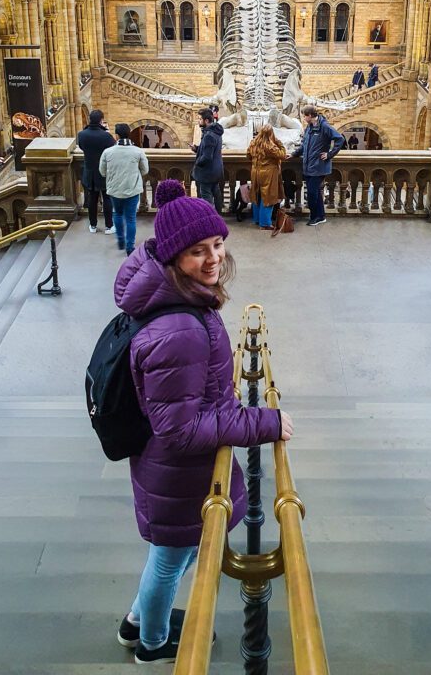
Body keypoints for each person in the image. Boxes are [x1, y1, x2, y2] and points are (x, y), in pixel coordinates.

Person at [113, 180, 292, 664]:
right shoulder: (180, 329)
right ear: (173, 258)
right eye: (197, 251)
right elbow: (181, 429)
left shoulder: (177, 299)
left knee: (174, 557)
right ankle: (151, 644)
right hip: (177, 473)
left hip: (170, 473)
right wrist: (263, 423)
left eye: (217, 244)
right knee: (170, 562)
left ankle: (137, 622)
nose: (213, 258)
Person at [99, 123, 149, 255]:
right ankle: (129, 246)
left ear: (116, 135)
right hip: (132, 189)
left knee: (117, 213)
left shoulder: (107, 152)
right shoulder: (138, 151)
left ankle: (120, 240)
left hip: (115, 189)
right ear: (129, 134)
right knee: (131, 218)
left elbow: (102, 171)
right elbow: (145, 170)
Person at [291, 105, 343, 226]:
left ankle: (314, 217)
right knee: (315, 193)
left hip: (318, 167)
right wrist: (294, 154)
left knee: (312, 194)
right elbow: (304, 146)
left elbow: (339, 139)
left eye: (304, 116)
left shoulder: (324, 126)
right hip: (309, 166)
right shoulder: (309, 127)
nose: (303, 118)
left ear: (310, 115)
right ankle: (321, 216)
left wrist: (330, 154)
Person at [77, 109, 115, 234]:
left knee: (92, 199)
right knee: (107, 199)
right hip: (104, 172)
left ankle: (93, 225)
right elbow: (112, 150)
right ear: (101, 120)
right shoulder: (106, 136)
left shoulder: (82, 135)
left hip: (89, 171)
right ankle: (109, 226)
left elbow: (82, 147)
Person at [247, 124, 288, 230]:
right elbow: (282, 155)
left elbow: (248, 156)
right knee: (268, 197)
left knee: (257, 195)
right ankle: (265, 223)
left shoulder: (253, 143)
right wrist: (279, 143)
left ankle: (257, 219)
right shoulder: (270, 145)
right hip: (268, 174)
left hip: (255, 172)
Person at [191, 108, 224, 213]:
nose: (198, 121)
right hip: (216, 170)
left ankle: (210, 217)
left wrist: (197, 163)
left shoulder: (208, 135)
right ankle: (218, 216)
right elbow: (210, 150)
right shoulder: (216, 132)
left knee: (206, 197)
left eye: (200, 119)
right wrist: (197, 149)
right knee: (216, 193)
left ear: (206, 121)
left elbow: (207, 157)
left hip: (207, 172)